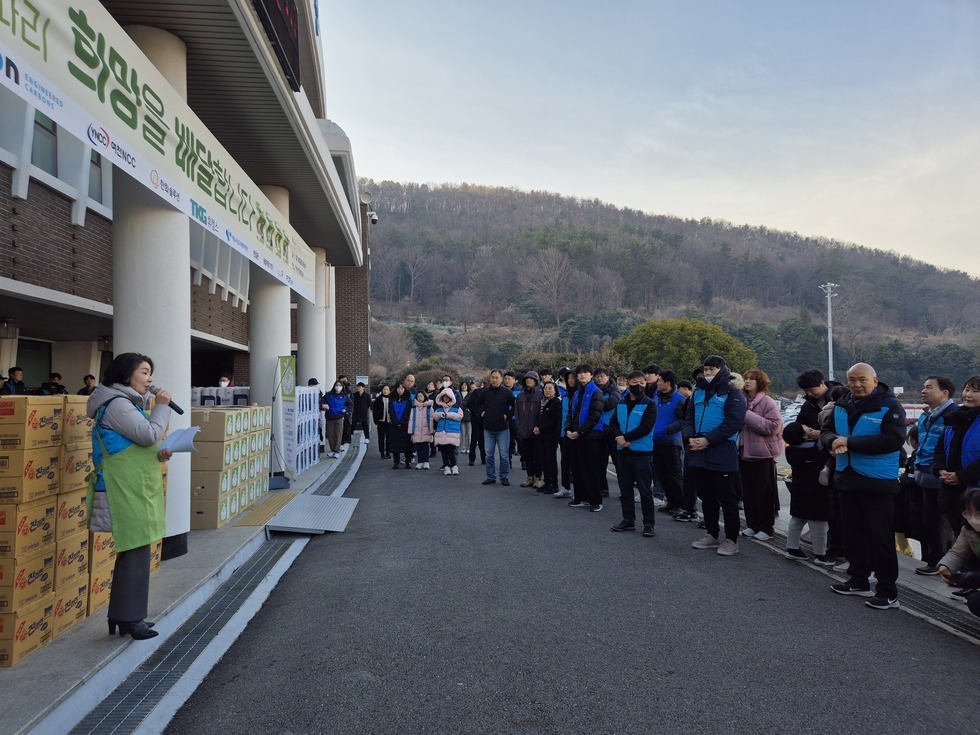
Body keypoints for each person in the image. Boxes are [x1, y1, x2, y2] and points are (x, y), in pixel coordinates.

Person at [86, 353, 173, 641]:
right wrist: (162, 407)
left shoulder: (126, 403)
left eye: (150, 373)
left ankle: (126, 615)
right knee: (134, 549)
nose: (150, 379)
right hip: (123, 487)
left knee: (136, 550)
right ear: (126, 376)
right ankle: (129, 618)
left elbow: (137, 444)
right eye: (145, 372)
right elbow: (148, 435)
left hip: (134, 485)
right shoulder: (118, 404)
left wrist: (160, 452)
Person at [822, 363, 906, 609]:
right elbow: (826, 431)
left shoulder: (890, 406)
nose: (857, 385)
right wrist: (831, 442)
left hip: (878, 482)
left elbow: (893, 440)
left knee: (880, 538)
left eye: (862, 380)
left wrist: (850, 441)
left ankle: (888, 591)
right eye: (852, 381)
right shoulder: (842, 404)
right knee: (852, 534)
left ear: (875, 380)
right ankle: (858, 580)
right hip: (847, 478)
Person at [685, 355, 746, 556]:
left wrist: (708, 440)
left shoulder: (733, 391)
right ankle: (712, 534)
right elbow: (689, 417)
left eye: (712, 369)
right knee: (706, 496)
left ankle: (731, 540)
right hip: (698, 452)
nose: (708, 373)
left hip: (722, 451)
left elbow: (734, 422)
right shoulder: (699, 391)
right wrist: (691, 437)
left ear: (722, 369)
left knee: (727, 498)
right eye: (706, 369)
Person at [912, 376, 958, 575]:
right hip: (923, 474)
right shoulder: (926, 415)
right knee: (928, 520)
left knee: (941, 521)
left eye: (929, 387)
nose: (923, 391)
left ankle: (940, 563)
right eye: (923, 387)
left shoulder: (954, 415)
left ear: (944, 393)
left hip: (942, 476)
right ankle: (934, 560)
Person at [608, 370, 658, 536]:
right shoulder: (621, 403)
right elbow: (613, 422)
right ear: (628, 383)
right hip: (623, 451)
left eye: (642, 383)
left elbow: (646, 427)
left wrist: (625, 437)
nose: (638, 385)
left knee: (645, 491)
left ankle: (649, 524)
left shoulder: (650, 404)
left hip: (641, 453)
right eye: (634, 382)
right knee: (625, 490)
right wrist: (618, 438)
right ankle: (628, 520)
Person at [738, 369, 783, 541]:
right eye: (745, 379)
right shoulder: (741, 400)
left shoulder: (767, 402)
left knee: (764, 492)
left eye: (751, 379)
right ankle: (752, 525)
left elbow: (773, 427)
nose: (747, 382)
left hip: (763, 454)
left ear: (760, 382)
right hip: (744, 452)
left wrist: (746, 414)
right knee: (748, 492)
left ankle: (766, 527)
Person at [934, 374, 980, 533]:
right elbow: (940, 448)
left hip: (974, 491)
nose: (968, 395)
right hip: (951, 490)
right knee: (958, 537)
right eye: (967, 389)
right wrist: (940, 469)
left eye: (976, 391)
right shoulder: (954, 418)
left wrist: (961, 475)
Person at [565, 363, 607, 512]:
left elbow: (595, 416)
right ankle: (580, 498)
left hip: (591, 436)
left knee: (591, 469)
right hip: (576, 436)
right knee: (577, 468)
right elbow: (571, 413)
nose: (582, 375)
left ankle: (595, 500)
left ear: (591, 375)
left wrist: (580, 432)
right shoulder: (577, 393)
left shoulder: (596, 392)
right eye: (580, 373)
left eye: (586, 373)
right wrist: (568, 429)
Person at [937, 488, 980, 618]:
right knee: (975, 602)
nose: (972, 519)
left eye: (978, 514)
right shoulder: (968, 530)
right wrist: (946, 566)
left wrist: (975, 576)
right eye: (968, 513)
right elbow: (957, 552)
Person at [652, 370, 686, 516]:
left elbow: (683, 420)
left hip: (671, 442)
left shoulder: (680, 399)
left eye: (660, 381)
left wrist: (668, 430)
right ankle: (671, 502)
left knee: (674, 475)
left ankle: (680, 504)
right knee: (661, 474)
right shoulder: (656, 397)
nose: (658, 383)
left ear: (668, 383)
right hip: (656, 441)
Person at [475, 370, 515, 486]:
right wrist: (481, 412)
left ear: (501, 379)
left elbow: (515, 405)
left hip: (503, 428)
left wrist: (508, 415)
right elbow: (476, 404)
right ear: (490, 378)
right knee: (489, 455)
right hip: (488, 428)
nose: (494, 380)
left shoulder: (507, 392)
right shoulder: (485, 392)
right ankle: (490, 476)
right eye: (492, 377)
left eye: (497, 377)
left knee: (504, 455)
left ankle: (504, 476)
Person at [515, 370, 543, 488]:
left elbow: (542, 413)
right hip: (523, 431)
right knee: (527, 456)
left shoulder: (540, 394)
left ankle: (538, 478)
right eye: (527, 379)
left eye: (531, 379)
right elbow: (517, 414)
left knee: (538, 456)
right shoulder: (520, 396)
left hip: (536, 432)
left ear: (536, 381)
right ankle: (530, 477)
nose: (528, 380)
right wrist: (519, 427)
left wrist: (540, 427)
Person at [536, 381, 562, 494]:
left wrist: (540, 429)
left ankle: (554, 484)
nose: (547, 390)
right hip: (541, 436)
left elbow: (553, 420)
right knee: (543, 459)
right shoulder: (543, 402)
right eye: (545, 388)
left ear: (555, 390)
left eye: (550, 388)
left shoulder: (556, 403)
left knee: (551, 460)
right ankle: (546, 482)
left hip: (550, 436)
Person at [433, 388, 463, 475]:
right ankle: (446, 466)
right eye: (444, 397)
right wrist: (439, 415)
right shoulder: (439, 408)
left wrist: (448, 415)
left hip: (451, 432)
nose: (445, 398)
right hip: (441, 432)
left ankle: (454, 466)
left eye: (447, 397)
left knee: (451, 451)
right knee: (443, 451)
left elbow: (460, 416)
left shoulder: (457, 408)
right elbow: (434, 417)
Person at [387, 384, 413, 469]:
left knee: (407, 446)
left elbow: (407, 412)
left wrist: (401, 422)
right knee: (395, 445)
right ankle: (396, 462)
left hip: (405, 425)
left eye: (402, 388)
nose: (400, 390)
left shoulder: (408, 400)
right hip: (394, 425)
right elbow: (391, 411)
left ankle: (408, 462)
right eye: (398, 388)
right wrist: (395, 422)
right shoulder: (391, 400)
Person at [322, 380, 350, 458]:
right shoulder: (328, 395)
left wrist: (346, 410)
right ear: (334, 386)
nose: (338, 387)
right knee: (330, 434)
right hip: (329, 417)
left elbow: (350, 404)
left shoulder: (344, 396)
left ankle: (337, 450)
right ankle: (332, 450)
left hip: (339, 417)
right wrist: (323, 406)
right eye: (336, 385)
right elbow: (322, 401)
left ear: (342, 387)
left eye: (340, 386)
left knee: (338, 434)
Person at [409, 390, 434, 470]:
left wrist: (432, 430)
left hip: (426, 430)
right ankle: (420, 462)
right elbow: (411, 419)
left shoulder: (429, 407)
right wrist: (410, 431)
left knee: (425, 447)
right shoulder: (414, 408)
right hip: (416, 430)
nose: (419, 398)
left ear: (425, 397)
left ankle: (426, 462)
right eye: (418, 396)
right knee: (418, 447)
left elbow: (432, 418)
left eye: (421, 396)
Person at [466, 381, 486, 467]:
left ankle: (484, 458)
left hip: (486, 419)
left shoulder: (491, 393)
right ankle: (472, 459)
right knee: (474, 439)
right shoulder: (477, 392)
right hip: (476, 418)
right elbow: (469, 404)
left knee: (483, 439)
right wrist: (477, 412)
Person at [372, 384, 392, 459]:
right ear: (382, 390)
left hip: (389, 421)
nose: (385, 391)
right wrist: (376, 420)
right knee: (381, 437)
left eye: (387, 389)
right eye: (384, 389)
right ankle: (382, 452)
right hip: (381, 421)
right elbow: (375, 410)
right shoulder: (378, 399)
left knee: (389, 437)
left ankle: (388, 452)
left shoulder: (392, 399)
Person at [459, 381, 472, 455]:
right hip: (461, 415)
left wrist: (464, 404)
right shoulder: (458, 394)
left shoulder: (471, 394)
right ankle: (463, 447)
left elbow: (470, 403)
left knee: (469, 433)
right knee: (462, 433)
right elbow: (458, 403)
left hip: (469, 416)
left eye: (465, 385)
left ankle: (469, 447)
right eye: (462, 385)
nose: (463, 387)